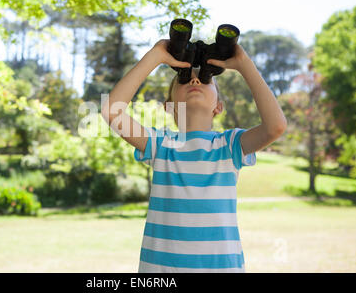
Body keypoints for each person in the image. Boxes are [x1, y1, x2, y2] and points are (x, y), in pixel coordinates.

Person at [101, 39, 287, 273]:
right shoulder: (161, 145)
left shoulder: (228, 147)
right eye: (185, 78)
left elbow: (276, 127)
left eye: (205, 79)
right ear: (169, 106)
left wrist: (243, 64)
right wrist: (155, 56)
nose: (196, 80)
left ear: (218, 106)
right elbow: (110, 112)